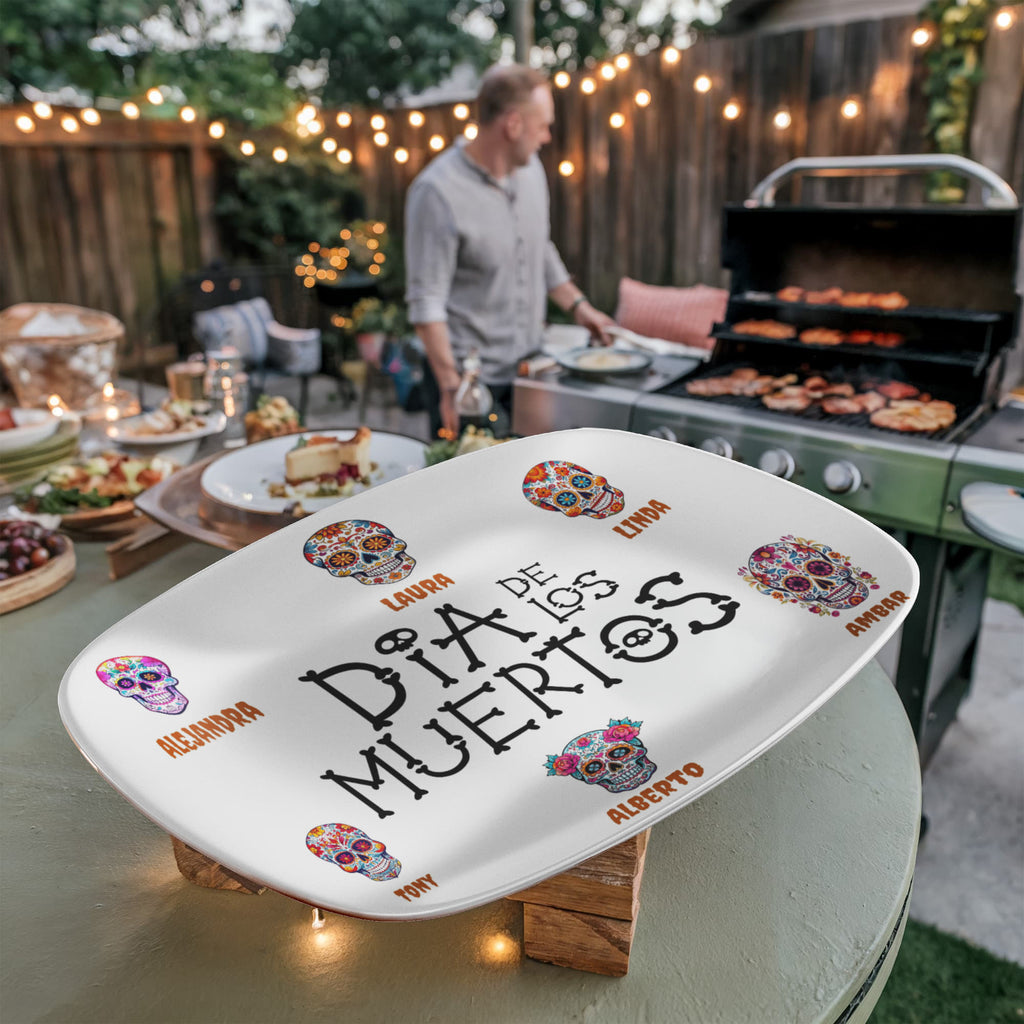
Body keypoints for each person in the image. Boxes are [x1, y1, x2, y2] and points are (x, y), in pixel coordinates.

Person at [404, 62, 615, 438]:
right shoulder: (437, 192)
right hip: (468, 385)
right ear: (513, 124)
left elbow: (539, 247)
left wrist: (580, 307)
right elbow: (426, 303)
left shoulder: (532, 172)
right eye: (543, 125)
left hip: (529, 374)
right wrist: (451, 388)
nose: (547, 137)